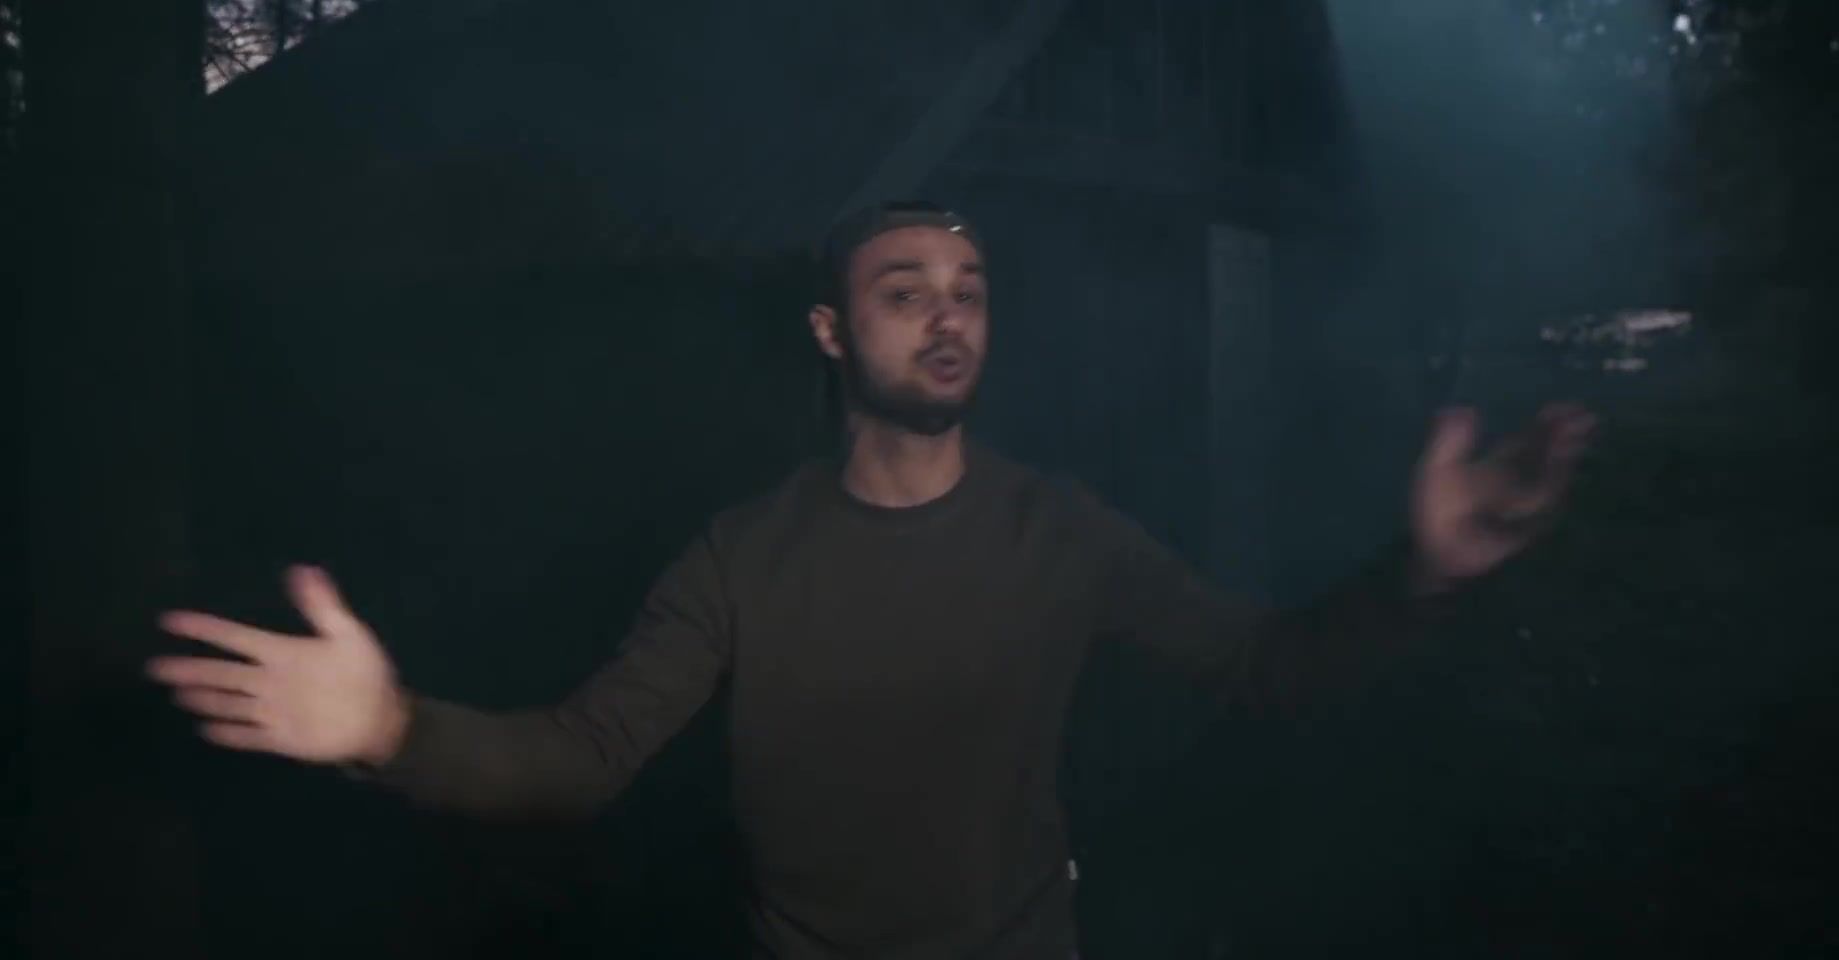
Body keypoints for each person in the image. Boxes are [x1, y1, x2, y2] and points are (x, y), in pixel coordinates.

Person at [148, 202, 1596, 959]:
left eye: (969, 294)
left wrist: (1422, 572)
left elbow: (1267, 664)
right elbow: (580, 757)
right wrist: (392, 729)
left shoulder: (1060, 531)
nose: (947, 319)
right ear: (833, 334)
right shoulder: (741, 558)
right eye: (905, 294)